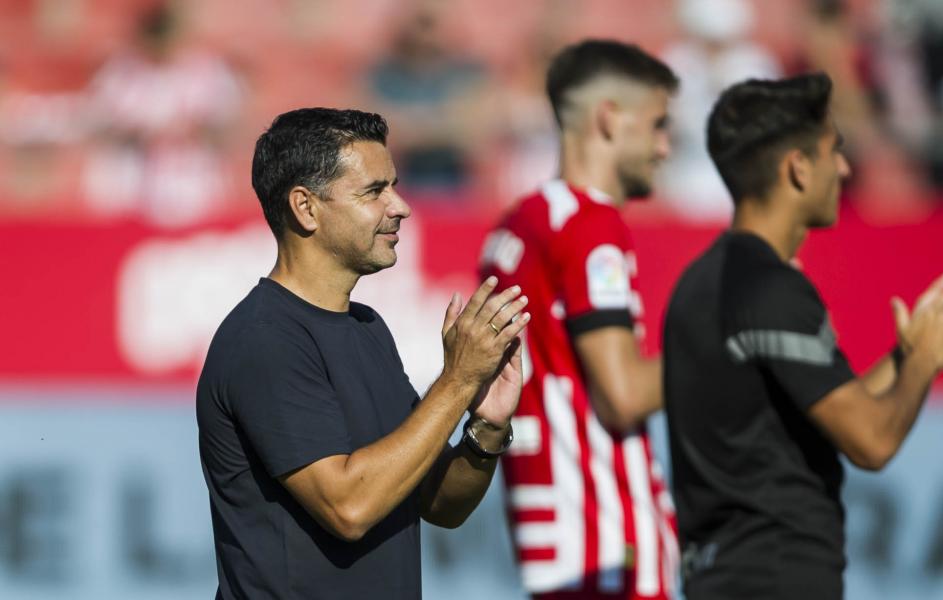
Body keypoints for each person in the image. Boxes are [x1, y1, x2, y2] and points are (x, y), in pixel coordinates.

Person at [662, 74, 943, 599]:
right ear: (797, 168)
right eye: (833, 152)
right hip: (777, 579)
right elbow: (871, 440)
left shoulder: (699, 283)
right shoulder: (770, 288)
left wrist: (908, 352)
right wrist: (925, 362)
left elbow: (826, 413)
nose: (844, 168)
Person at [196, 108, 529, 599]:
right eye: (374, 191)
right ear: (305, 208)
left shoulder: (368, 328)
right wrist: (456, 381)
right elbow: (349, 507)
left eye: (393, 185)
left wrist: (486, 428)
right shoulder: (264, 339)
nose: (401, 207)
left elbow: (440, 504)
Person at [477, 40, 679, 599]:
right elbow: (623, 395)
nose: (665, 147)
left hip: (551, 534)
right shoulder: (592, 230)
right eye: (658, 125)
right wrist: (726, 345)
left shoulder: (517, 225)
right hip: (608, 543)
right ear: (609, 119)